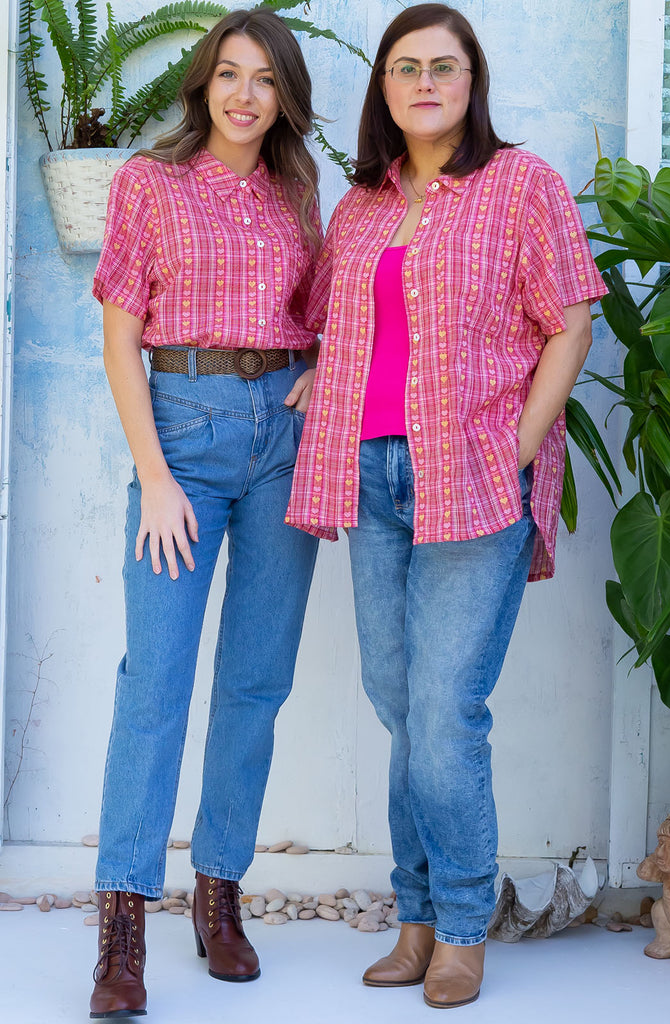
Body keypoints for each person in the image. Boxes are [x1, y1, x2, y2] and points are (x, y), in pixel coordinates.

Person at [286, 2, 606, 1010]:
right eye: (405, 67)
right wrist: (309, 377)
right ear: (384, 89)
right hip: (372, 475)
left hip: (471, 476)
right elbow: (332, 318)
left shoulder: (523, 186)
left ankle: (461, 923)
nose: (425, 82)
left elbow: (573, 320)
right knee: (401, 708)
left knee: (444, 711)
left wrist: (515, 444)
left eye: (446, 66)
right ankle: (414, 917)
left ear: (473, 84)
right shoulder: (363, 207)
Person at [89, 10, 321, 1018]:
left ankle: (219, 894)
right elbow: (119, 334)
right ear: (204, 84)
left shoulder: (303, 192)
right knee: (157, 680)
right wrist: (155, 472)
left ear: (283, 97)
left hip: (285, 442)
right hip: (181, 432)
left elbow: (335, 311)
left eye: (264, 79)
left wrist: (318, 382)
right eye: (228, 74)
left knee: (257, 681)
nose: (243, 94)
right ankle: (124, 918)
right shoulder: (151, 181)